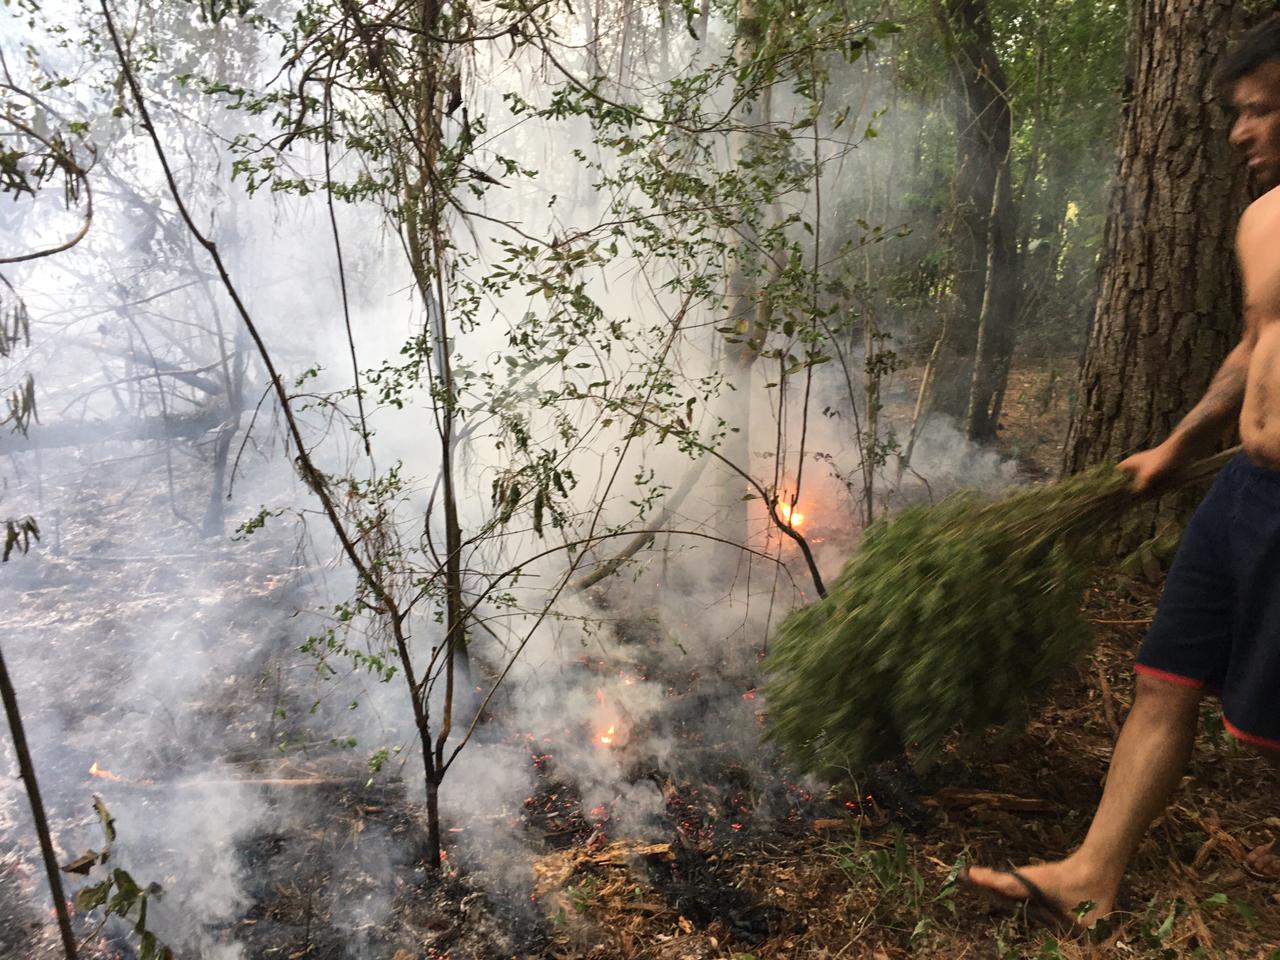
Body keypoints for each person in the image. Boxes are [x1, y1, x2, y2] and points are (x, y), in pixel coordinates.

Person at [960, 13, 1280, 931]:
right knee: (1164, 677)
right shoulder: (1262, 219)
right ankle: (1091, 874)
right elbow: (1252, 347)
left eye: (1261, 109)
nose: (1239, 132)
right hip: (1243, 492)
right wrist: (1178, 445)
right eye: (1235, 112)